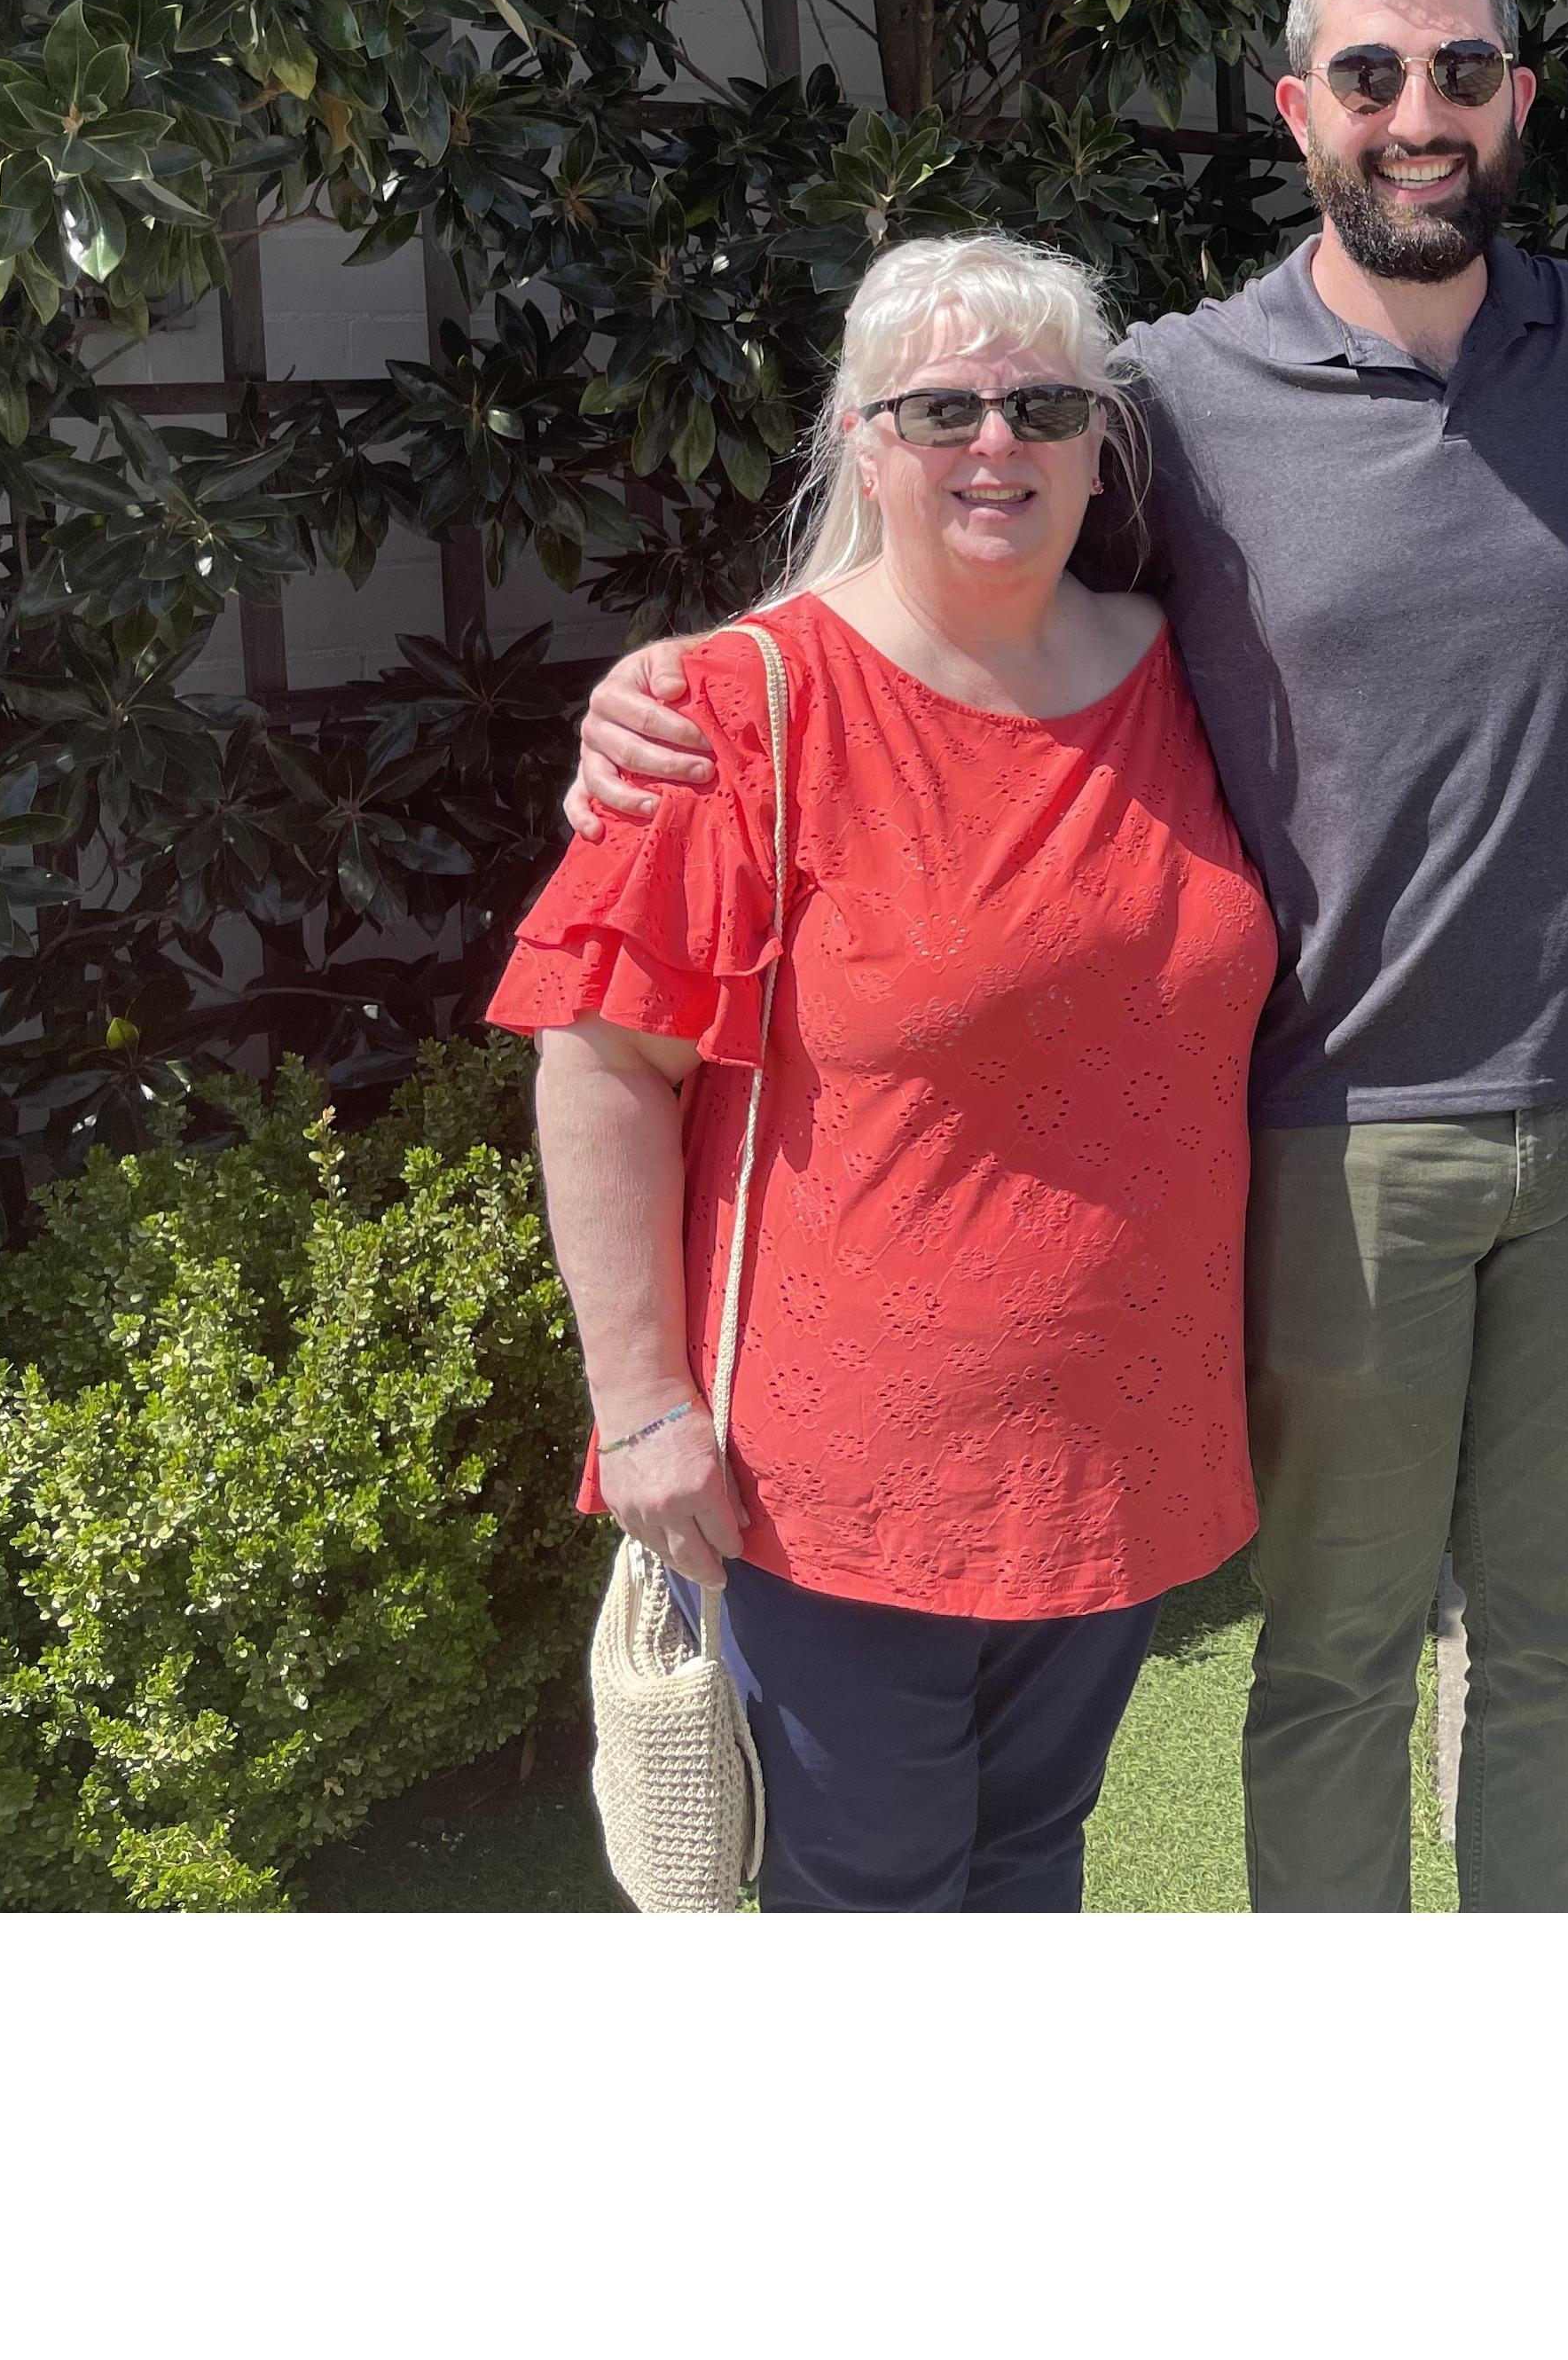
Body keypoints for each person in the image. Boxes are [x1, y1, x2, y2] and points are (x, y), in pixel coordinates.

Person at [567, 0, 1568, 1913]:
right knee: (1345, 1655)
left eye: (1457, 71)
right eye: (1371, 75)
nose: (1416, 113)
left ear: (1515, 97)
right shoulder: (1169, 399)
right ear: (1299, 110)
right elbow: (943, 565)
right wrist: (683, 694)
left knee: (1560, 1641)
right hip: (1346, 1140)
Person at [494, 231, 1276, 1910]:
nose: (995, 443)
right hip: (833, 1493)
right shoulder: (734, 709)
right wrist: (638, 1408)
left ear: (1097, 443)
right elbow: (600, 1059)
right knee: (873, 1905)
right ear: (859, 435)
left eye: (1041, 404)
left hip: (1115, 1461)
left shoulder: (1187, 669)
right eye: (941, 408)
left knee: (1028, 1867)